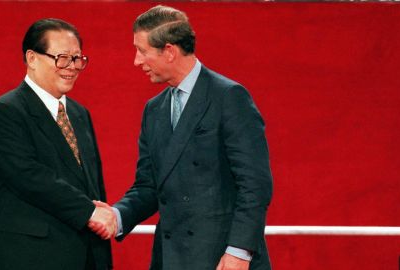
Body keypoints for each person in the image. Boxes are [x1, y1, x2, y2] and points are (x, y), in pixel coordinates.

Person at [93, 5, 273, 270]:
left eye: (142, 51)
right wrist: (117, 216)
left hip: (222, 259)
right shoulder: (153, 110)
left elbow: (255, 185)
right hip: (171, 259)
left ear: (169, 51)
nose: (136, 61)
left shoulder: (229, 98)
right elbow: (149, 186)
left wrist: (239, 252)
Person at [0, 18, 115, 270]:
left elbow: (91, 185)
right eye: (62, 58)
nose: (72, 67)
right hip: (29, 256)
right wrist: (88, 211)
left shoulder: (79, 113)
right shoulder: (6, 111)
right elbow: (27, 175)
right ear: (32, 58)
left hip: (83, 255)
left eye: (77, 59)